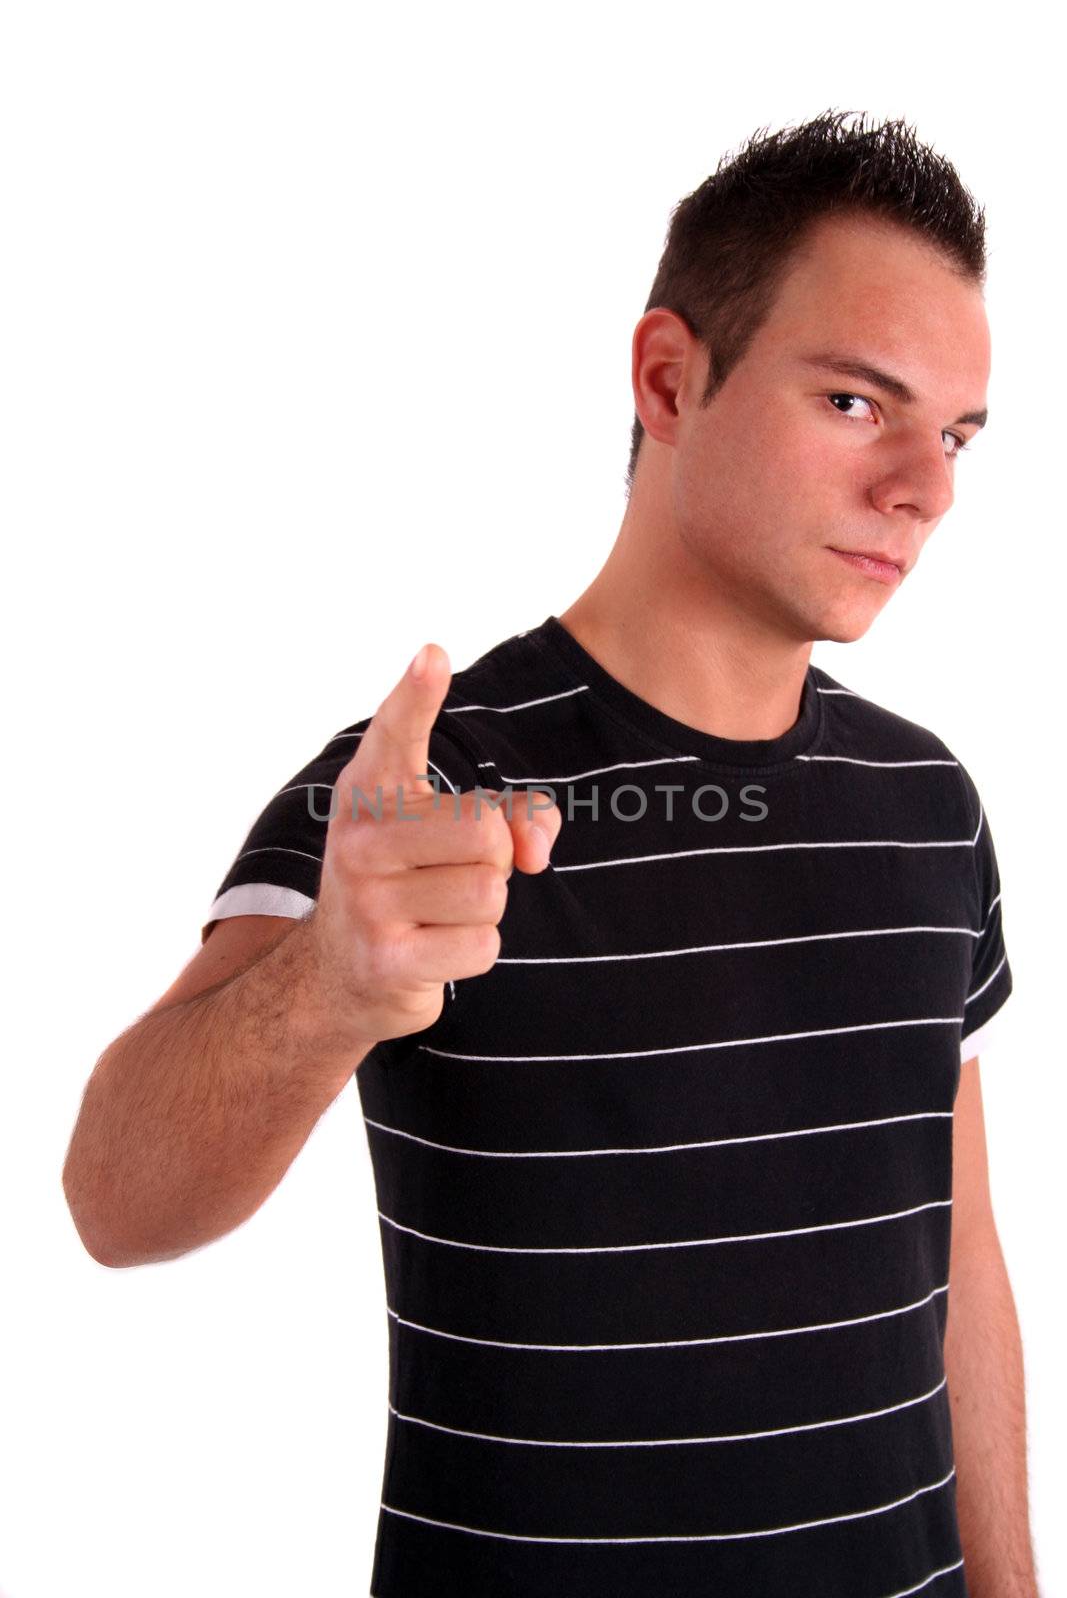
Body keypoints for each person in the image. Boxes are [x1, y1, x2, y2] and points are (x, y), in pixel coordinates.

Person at [62, 108, 1038, 1596]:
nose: (927, 487)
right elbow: (115, 1202)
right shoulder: (421, 800)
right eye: (857, 403)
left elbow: (953, 1251)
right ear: (668, 377)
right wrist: (328, 986)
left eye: (956, 434)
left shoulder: (930, 800)